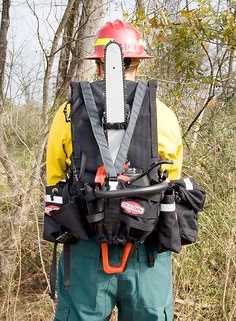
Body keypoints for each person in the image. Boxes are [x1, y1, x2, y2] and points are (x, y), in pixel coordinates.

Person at [46, 19, 183, 321]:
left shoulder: (68, 113)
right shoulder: (163, 114)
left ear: (98, 63)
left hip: (85, 247)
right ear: (137, 62)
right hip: (145, 249)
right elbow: (171, 179)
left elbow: (54, 177)